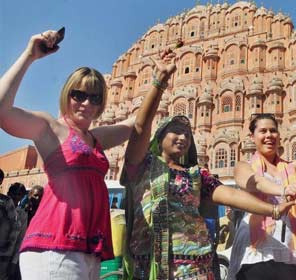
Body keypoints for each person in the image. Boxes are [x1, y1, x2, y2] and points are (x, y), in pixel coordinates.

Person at [119, 51, 296, 279]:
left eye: (187, 134)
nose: (183, 137)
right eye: (176, 131)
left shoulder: (196, 174)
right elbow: (140, 128)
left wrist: (272, 210)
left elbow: (229, 195)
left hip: (197, 268)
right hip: (153, 265)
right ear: (159, 136)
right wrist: (159, 82)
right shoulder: (142, 165)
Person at [0, 29, 135, 280]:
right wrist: (30, 55)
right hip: (54, 247)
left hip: (89, 249)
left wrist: (161, 77)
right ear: (67, 94)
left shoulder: (95, 139)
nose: (86, 103)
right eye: (79, 95)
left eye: (95, 97)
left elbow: (134, 124)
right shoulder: (50, 128)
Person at [228, 113, 296, 280]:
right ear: (252, 136)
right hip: (256, 248)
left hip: (289, 248)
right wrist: (284, 189)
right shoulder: (244, 166)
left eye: (273, 131)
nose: (269, 136)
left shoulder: (292, 168)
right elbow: (255, 182)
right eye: (263, 131)